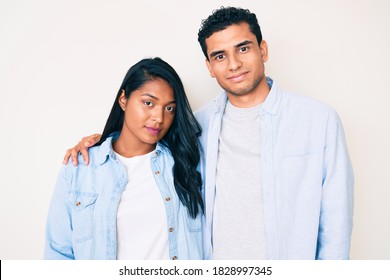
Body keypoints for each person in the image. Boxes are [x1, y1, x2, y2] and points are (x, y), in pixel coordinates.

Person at [63, 7, 354, 260]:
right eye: (220, 56)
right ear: (210, 67)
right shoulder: (195, 126)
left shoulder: (317, 120)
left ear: (262, 49)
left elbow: (336, 221)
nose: (234, 64)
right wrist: (98, 142)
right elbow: (141, 142)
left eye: (243, 48)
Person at [45, 57, 204, 260]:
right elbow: (58, 253)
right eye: (148, 103)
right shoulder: (80, 168)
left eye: (169, 108)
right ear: (123, 100)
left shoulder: (188, 161)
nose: (159, 117)